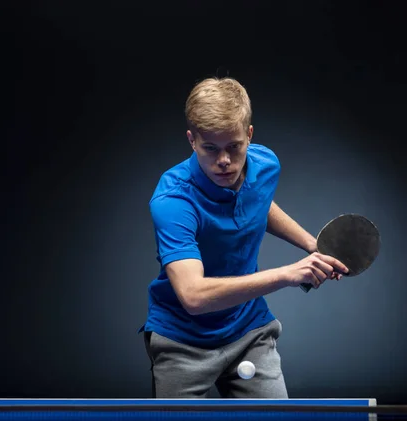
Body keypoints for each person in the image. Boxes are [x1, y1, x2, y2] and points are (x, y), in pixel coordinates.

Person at [138, 76, 348, 399]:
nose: (224, 161)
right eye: (211, 148)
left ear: (249, 136)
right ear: (192, 140)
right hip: (181, 341)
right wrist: (288, 274)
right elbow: (193, 296)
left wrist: (312, 244)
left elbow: (257, 203)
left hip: (248, 330)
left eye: (234, 147)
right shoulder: (173, 200)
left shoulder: (265, 165)